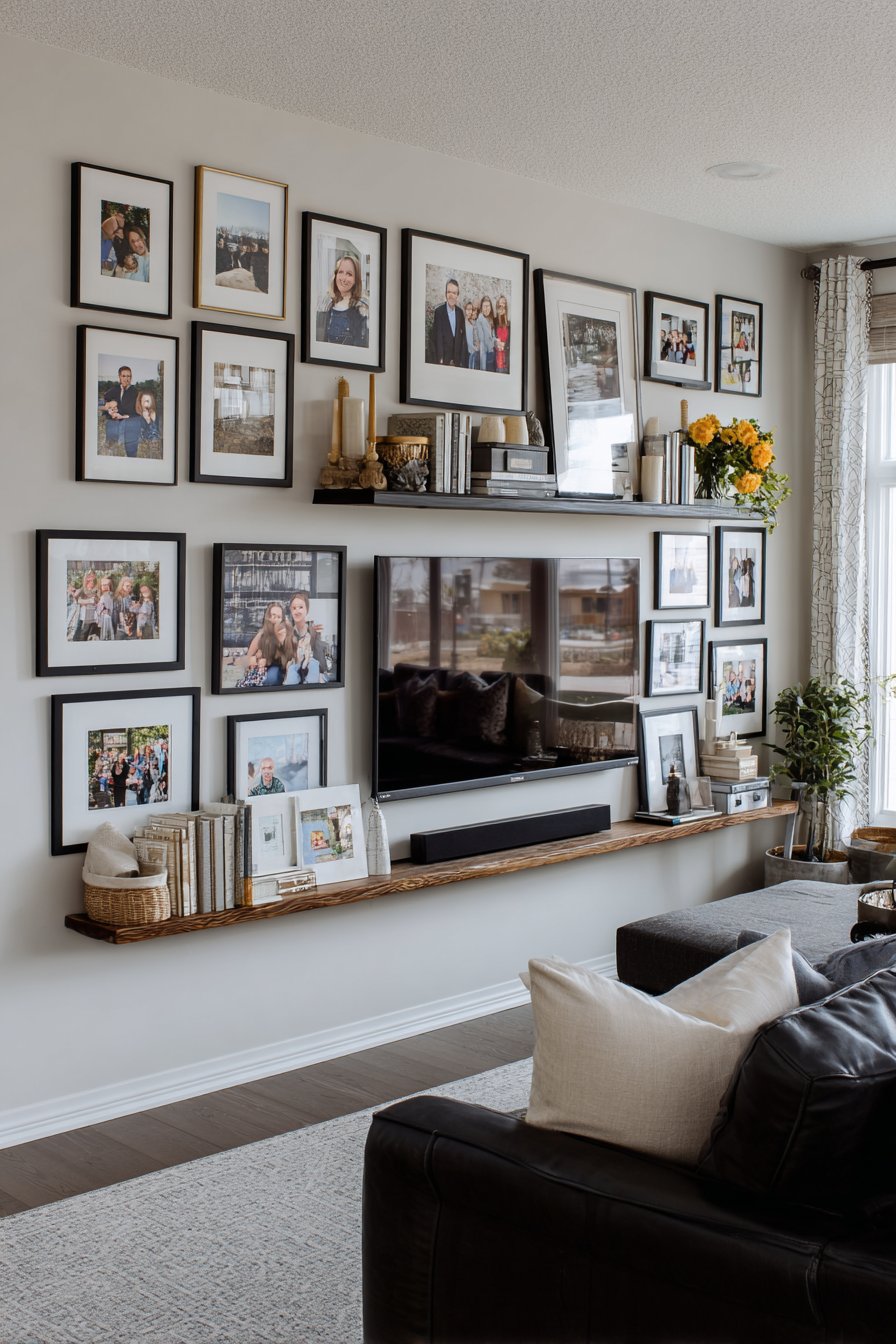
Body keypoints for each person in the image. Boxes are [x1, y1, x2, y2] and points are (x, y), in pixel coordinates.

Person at [316, 254, 369, 347]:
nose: (343, 278)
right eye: (340, 272)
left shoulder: (363, 309)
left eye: (349, 274)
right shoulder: (324, 305)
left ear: (356, 279)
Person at [286, 591, 328, 684]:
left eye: (301, 607)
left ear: (307, 610)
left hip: (312, 672)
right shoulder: (288, 633)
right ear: (291, 611)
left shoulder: (314, 631)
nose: (297, 611)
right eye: (294, 608)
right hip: (294, 671)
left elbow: (320, 660)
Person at [428, 278, 467, 366]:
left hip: (457, 361)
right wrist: (440, 360)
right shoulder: (439, 312)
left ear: (457, 295)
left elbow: (462, 338)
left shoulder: (460, 313)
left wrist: (461, 361)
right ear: (445, 294)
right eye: (449, 292)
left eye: (454, 293)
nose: (451, 295)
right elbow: (437, 338)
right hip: (444, 360)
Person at [73, 570, 99, 641]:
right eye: (89, 576)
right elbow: (78, 600)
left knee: (90, 630)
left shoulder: (96, 588)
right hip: (84, 614)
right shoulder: (83, 589)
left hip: (93, 613)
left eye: (93, 576)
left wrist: (95, 600)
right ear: (86, 578)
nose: (91, 578)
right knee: (82, 629)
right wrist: (89, 601)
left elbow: (97, 600)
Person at [476, 296, 497, 372]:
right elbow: (482, 339)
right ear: (481, 308)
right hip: (484, 353)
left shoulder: (491, 320)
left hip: (492, 352)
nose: (486, 308)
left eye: (488, 306)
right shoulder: (480, 320)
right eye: (484, 306)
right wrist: (493, 343)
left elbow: (493, 336)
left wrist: (497, 341)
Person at [96, 575, 115, 641]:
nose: (105, 587)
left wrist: (106, 610)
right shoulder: (102, 596)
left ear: (110, 586)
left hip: (108, 619)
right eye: (103, 585)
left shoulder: (110, 595)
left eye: (107, 585)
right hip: (102, 619)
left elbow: (110, 608)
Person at [494, 294, 510, 374]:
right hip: (497, 362)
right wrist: (496, 343)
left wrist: (505, 345)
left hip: (507, 362)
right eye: (500, 304)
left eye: (504, 304)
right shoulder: (494, 321)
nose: (502, 306)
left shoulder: (509, 324)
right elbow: (491, 337)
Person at [463, 301, 480, 370]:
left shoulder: (473, 322)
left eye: (471, 309)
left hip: (473, 351)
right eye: (468, 309)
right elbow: (468, 340)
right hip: (469, 351)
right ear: (465, 310)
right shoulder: (464, 323)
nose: (470, 311)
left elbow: (475, 336)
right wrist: (475, 348)